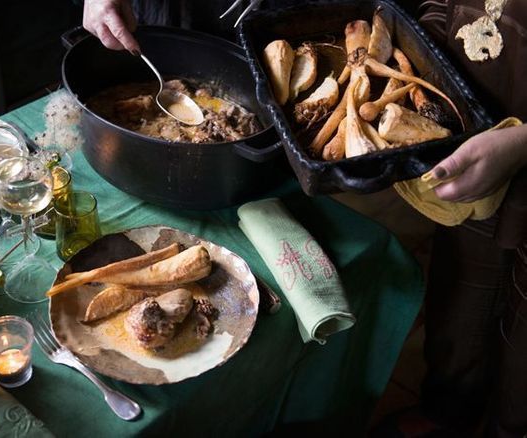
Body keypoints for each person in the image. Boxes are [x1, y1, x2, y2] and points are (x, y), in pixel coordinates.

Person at [82, 0, 527, 436]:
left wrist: (520, 143)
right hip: (473, 112)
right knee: (467, 281)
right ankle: (449, 409)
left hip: (507, 136)